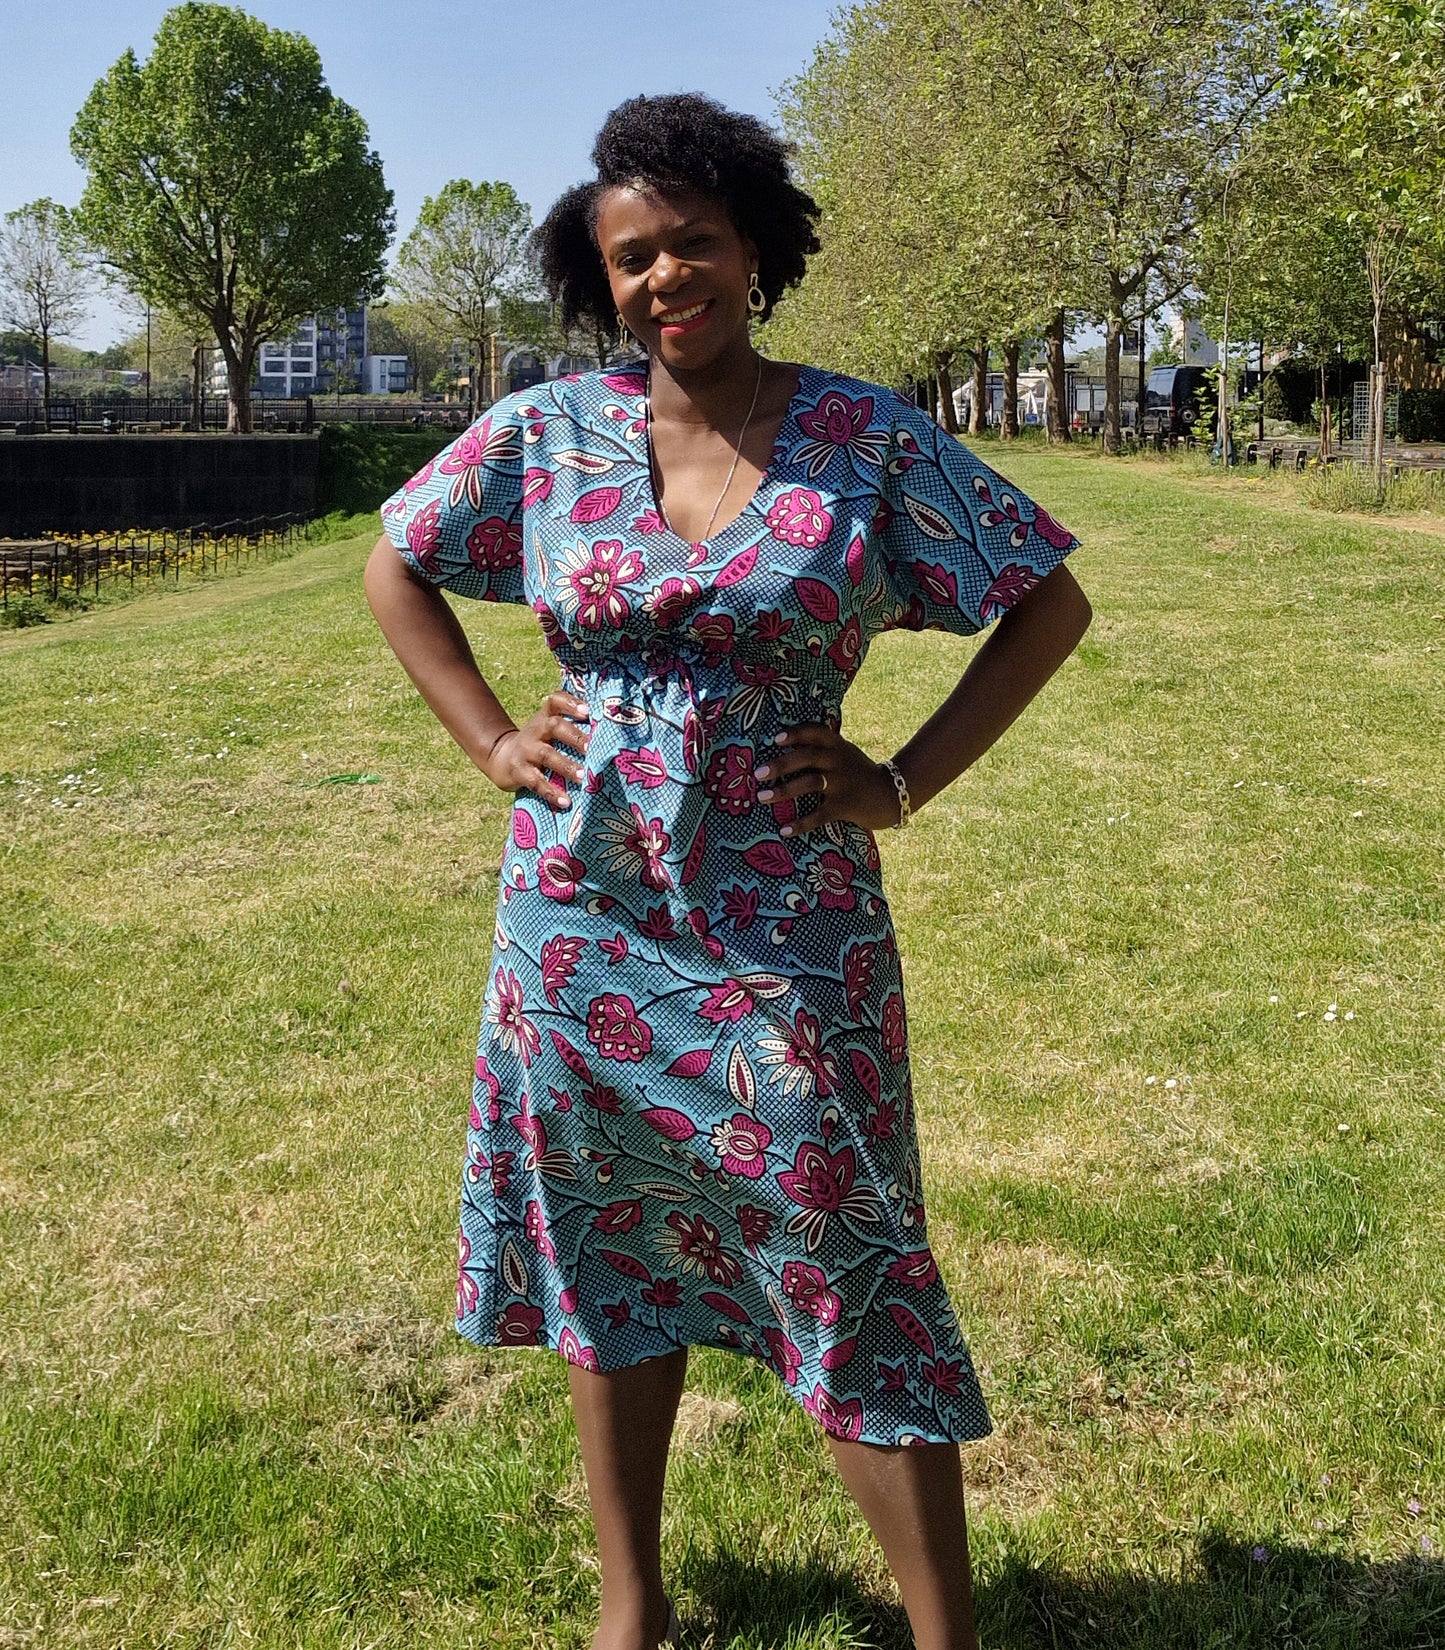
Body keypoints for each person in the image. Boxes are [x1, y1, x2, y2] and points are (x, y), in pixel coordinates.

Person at [364, 92, 1092, 1650]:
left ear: (755, 247)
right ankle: (631, 1609)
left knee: (848, 1248)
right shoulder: (548, 432)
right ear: (600, 279)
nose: (663, 277)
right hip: (580, 929)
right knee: (610, 1248)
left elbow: (1042, 600)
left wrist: (899, 778)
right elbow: (397, 557)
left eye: (692, 242)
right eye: (631, 258)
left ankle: (941, 1632)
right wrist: (493, 738)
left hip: (788, 930)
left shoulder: (864, 438)